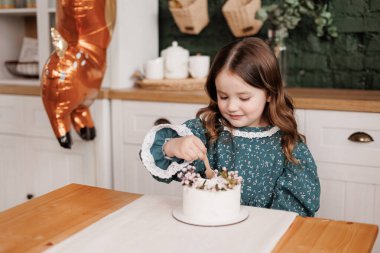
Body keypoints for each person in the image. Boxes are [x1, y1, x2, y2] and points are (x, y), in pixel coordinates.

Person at [140, 37, 320, 217]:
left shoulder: (288, 146)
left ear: (270, 94)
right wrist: (174, 146)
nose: (232, 107)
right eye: (224, 97)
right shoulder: (208, 132)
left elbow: (292, 214)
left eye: (244, 98)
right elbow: (151, 155)